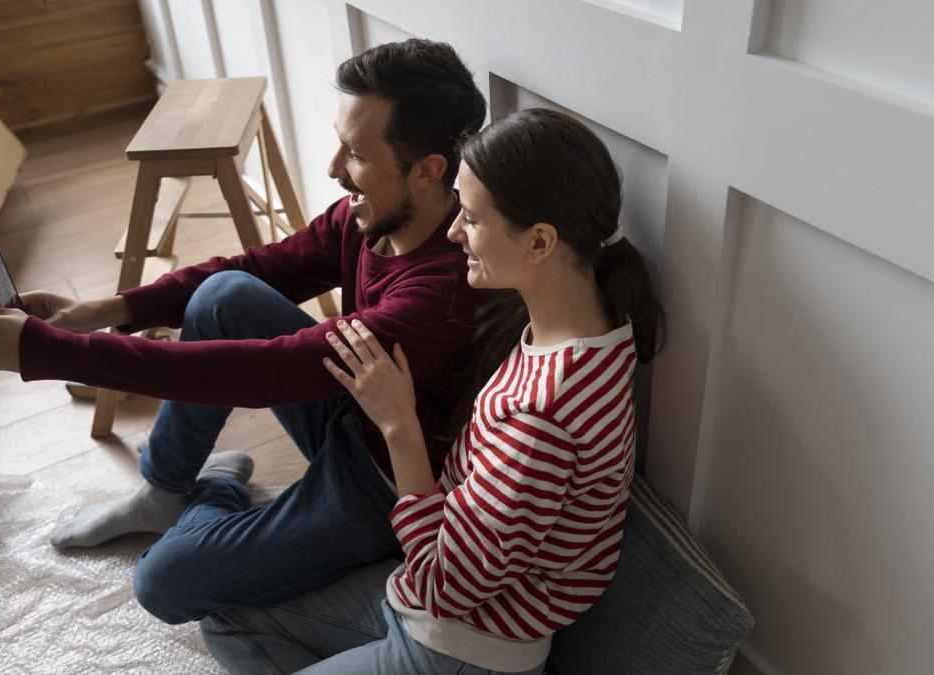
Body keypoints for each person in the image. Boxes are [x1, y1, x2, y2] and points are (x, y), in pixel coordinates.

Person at [0, 39, 487, 625]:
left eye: (355, 155)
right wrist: (96, 310)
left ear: (427, 172)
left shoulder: (440, 293)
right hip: (353, 409)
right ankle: (164, 492)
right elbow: (256, 270)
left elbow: (257, 372)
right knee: (223, 294)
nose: (334, 169)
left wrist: (44, 351)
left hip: (386, 476)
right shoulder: (368, 216)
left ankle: (221, 492)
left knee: (164, 582)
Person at [197, 108, 667, 674]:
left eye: (470, 218)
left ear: (540, 241)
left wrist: (400, 426)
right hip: (432, 609)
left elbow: (446, 587)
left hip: (461, 649)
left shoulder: (543, 416)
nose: (452, 233)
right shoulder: (598, 332)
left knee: (227, 621)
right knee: (223, 615)